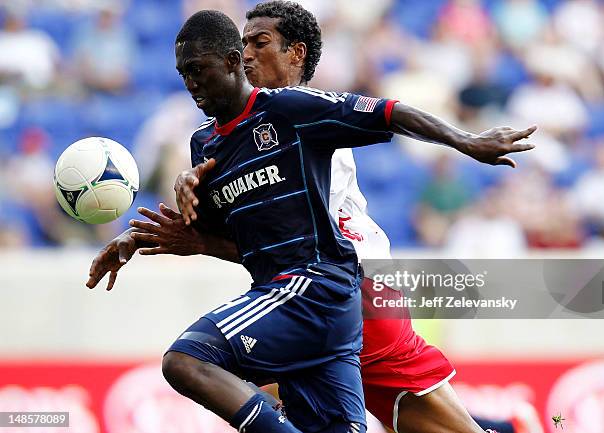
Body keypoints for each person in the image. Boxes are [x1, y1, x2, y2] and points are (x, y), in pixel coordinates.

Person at [87, 6, 535, 433]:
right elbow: (262, 238)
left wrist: (466, 140)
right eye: (242, 44)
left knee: (214, 367)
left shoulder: (302, 116)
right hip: (323, 292)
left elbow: (384, 117)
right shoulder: (219, 139)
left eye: (259, 43)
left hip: (352, 292)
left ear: (294, 54)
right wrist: (194, 221)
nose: (246, 55)